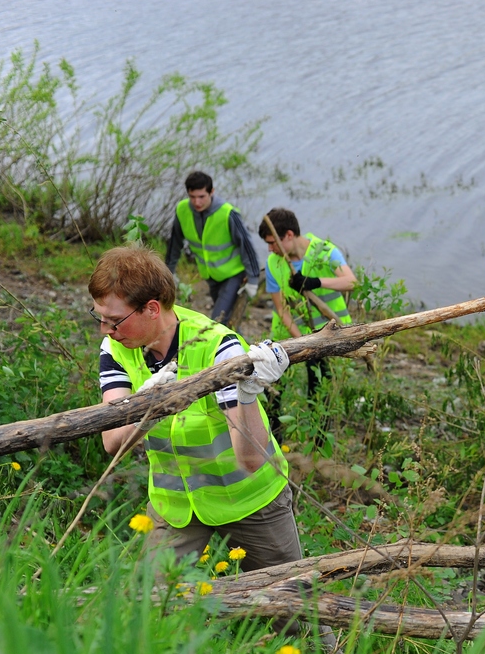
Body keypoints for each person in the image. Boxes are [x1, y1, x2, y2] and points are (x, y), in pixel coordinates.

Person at [89, 245, 300, 572]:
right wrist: (150, 412)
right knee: (154, 610)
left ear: (152, 309)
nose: (106, 330)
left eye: (115, 321)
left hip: (249, 501)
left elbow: (251, 460)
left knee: (293, 607)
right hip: (175, 508)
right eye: (100, 318)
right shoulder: (115, 348)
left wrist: (247, 395)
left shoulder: (218, 345)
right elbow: (112, 442)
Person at [258, 207, 357, 402]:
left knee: (321, 388)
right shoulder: (273, 262)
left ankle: (320, 429)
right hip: (290, 335)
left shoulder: (325, 251)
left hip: (329, 333)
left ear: (288, 235)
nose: (270, 249)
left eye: (272, 243)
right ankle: (275, 429)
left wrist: (316, 282)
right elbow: (280, 308)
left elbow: (352, 282)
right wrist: (302, 340)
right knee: (273, 388)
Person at [165, 170, 261, 327]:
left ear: (212, 192)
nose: (197, 202)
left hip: (233, 275)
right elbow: (174, 244)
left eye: (201, 197)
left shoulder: (228, 213)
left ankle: (230, 349)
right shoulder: (182, 210)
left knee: (217, 320)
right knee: (227, 320)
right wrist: (169, 272)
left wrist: (253, 279)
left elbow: (247, 246)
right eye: (192, 197)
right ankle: (242, 348)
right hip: (210, 276)